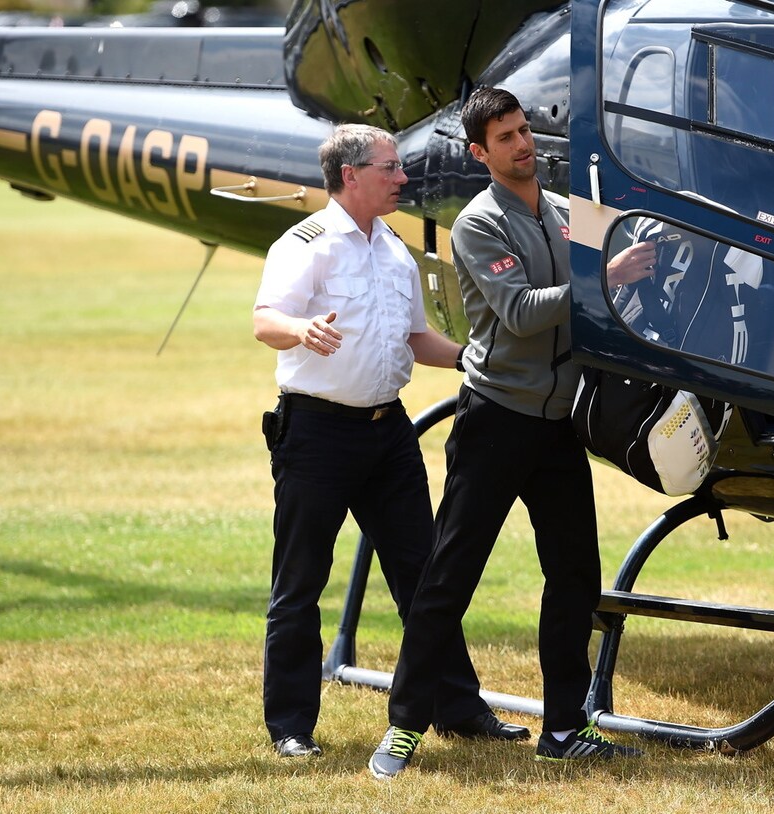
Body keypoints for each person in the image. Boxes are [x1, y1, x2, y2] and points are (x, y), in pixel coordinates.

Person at [369, 88, 653, 778]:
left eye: (524, 131)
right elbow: (522, 313)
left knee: (576, 576)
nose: (523, 144)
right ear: (480, 152)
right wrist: (603, 279)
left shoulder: (563, 212)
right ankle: (404, 726)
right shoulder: (478, 224)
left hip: (558, 425)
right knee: (450, 576)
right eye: (505, 137)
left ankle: (565, 728)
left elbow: (615, 277)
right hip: (495, 420)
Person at [252, 123, 529, 759]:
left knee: (426, 577)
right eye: (390, 167)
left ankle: (457, 708)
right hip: (317, 435)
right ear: (350, 176)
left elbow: (414, 338)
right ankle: (291, 727)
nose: (403, 177)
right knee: (300, 582)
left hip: (389, 434)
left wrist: (476, 359)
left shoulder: (394, 249)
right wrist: (301, 329)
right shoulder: (307, 244)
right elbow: (265, 320)